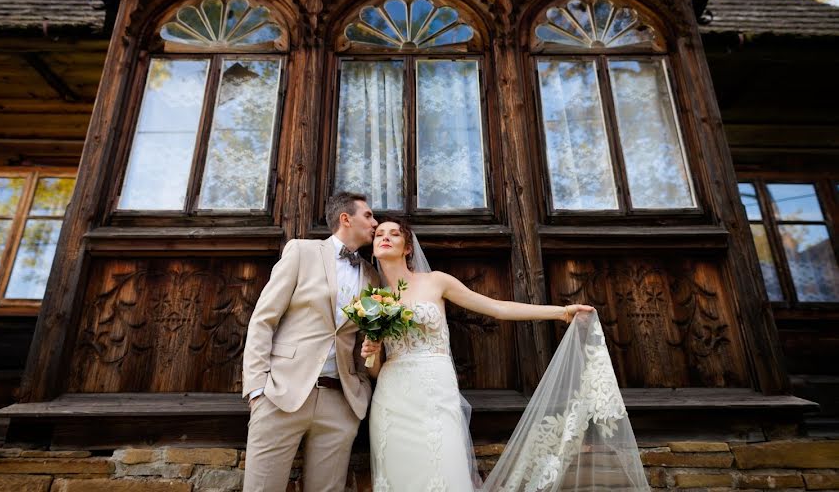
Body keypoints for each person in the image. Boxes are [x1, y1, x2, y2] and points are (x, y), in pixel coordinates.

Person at [362, 220, 649, 492]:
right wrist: (371, 354)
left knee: (444, 467)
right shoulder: (374, 298)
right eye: (379, 234)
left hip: (434, 390)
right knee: (397, 474)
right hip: (392, 396)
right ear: (373, 246)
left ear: (408, 247)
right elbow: (376, 368)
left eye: (394, 233)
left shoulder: (436, 282)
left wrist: (561, 312)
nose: (385, 237)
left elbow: (497, 308)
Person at [242, 191, 380, 492]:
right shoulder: (302, 252)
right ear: (346, 218)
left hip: (339, 402)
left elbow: (362, 338)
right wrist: (256, 389)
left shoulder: (371, 276)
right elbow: (264, 319)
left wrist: (360, 389)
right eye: (368, 215)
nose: (375, 222)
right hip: (282, 394)